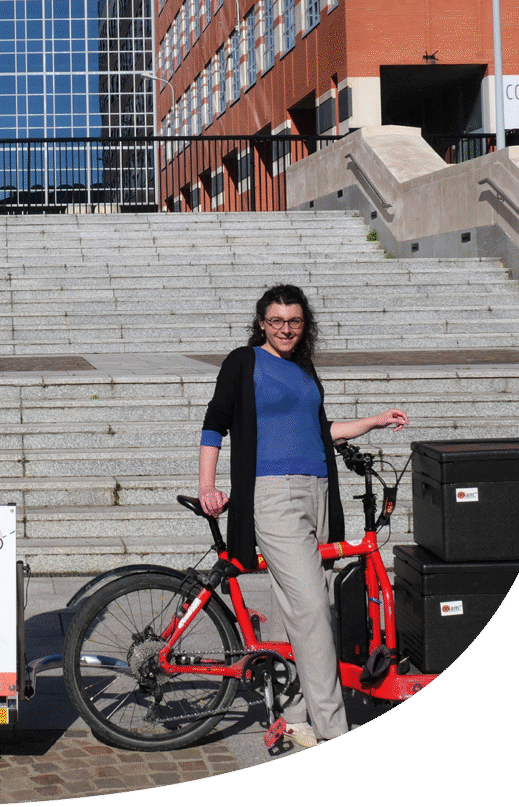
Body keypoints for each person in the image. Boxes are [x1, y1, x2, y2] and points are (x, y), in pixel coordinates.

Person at [197, 284, 408, 747]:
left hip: (318, 492)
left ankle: (291, 716)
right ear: (261, 324)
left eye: (293, 321)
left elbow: (320, 429)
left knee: (292, 606)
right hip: (272, 496)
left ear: (303, 324)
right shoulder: (244, 362)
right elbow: (214, 424)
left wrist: (372, 421)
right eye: (276, 321)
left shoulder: (304, 369)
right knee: (314, 609)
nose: (285, 328)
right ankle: (334, 729)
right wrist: (207, 486)